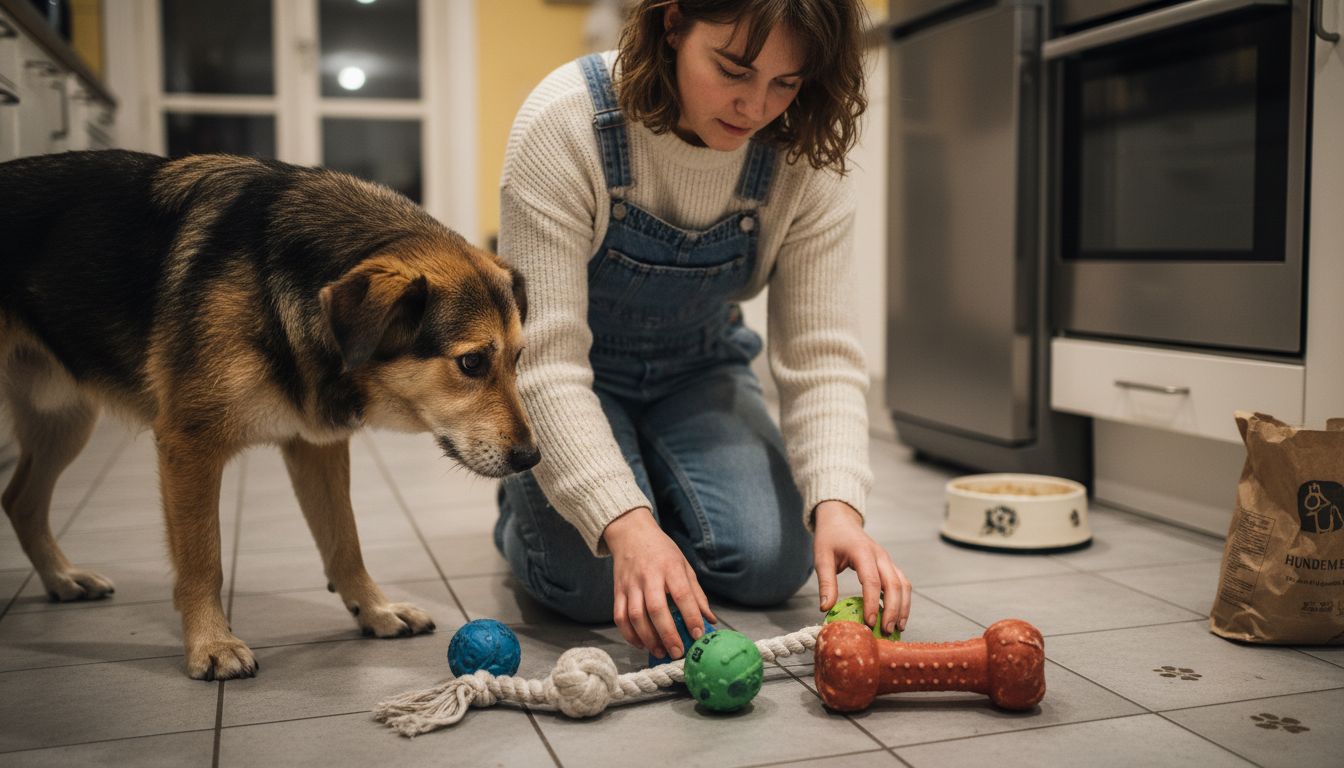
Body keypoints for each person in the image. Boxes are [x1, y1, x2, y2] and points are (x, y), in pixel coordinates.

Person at [494, 0, 910, 662]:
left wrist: (838, 508)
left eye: (787, 82)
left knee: (774, 565)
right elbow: (545, 365)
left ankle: (640, 477)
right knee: (590, 582)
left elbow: (820, 357)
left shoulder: (802, 152)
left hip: (700, 366)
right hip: (574, 380)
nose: (754, 107)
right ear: (673, 24)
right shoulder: (564, 122)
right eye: (733, 69)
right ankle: (530, 499)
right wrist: (625, 525)